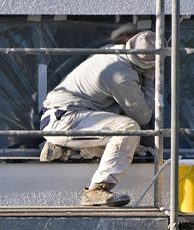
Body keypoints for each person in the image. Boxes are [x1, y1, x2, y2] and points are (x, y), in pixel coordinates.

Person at [39, 30, 156, 207]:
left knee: (129, 145)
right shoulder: (120, 75)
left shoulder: (113, 50)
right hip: (64, 120)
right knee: (128, 129)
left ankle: (66, 148)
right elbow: (143, 116)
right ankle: (97, 190)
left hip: (62, 114)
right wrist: (149, 79)